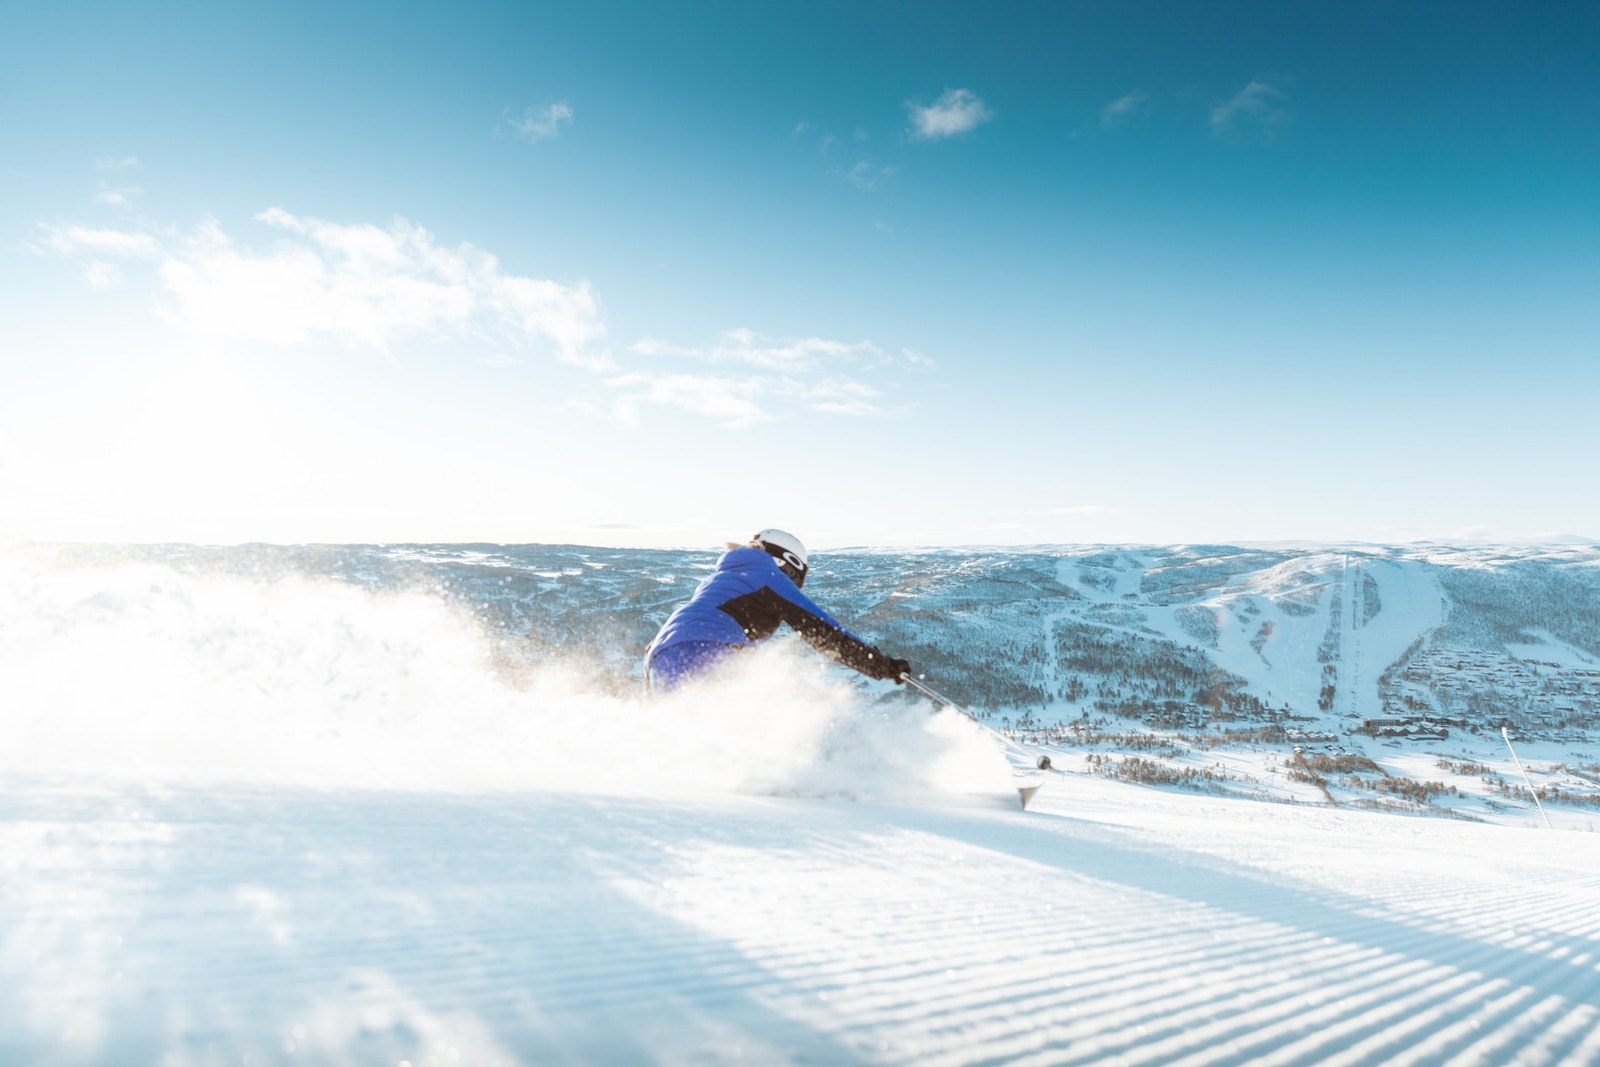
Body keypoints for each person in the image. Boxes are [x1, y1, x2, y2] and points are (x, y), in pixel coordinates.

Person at [644, 528, 912, 694]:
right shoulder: (767, 573)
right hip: (712, 649)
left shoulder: (721, 579)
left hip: (660, 657)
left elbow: (671, 641)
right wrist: (880, 665)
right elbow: (820, 629)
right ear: (788, 562)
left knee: (686, 732)